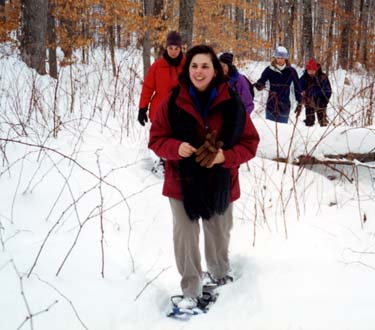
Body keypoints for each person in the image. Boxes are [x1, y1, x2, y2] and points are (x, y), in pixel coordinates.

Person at [149, 45, 259, 309]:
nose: (199, 71)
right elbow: (155, 140)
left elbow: (250, 142)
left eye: (205, 66)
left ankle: (221, 276)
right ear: (187, 69)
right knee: (185, 237)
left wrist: (225, 157)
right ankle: (191, 290)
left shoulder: (232, 102)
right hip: (181, 182)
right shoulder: (173, 101)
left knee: (218, 232)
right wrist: (175, 148)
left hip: (221, 181)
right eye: (194, 66)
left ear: (216, 70)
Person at [138, 31, 185, 174]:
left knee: (179, 137)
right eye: (171, 48)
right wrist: (142, 108)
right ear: (166, 47)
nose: (173, 52)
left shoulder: (188, 65)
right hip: (160, 110)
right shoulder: (157, 66)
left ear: (180, 48)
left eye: (176, 48)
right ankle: (163, 162)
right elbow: (148, 87)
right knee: (162, 138)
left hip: (181, 109)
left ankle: (177, 163)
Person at [254, 46, 302, 123]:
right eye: (278, 57)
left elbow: (297, 87)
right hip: (271, 105)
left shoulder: (291, 71)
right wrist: (259, 85)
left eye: (282, 58)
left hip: (284, 106)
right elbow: (261, 81)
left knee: (282, 132)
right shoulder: (269, 69)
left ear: (286, 58)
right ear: (275, 58)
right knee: (270, 132)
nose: (280, 60)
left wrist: (299, 102)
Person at [299, 58, 332, 127]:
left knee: (323, 122)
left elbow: (328, 91)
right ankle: (308, 135)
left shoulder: (323, 77)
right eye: (309, 70)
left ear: (316, 69)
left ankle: (324, 134)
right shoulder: (304, 77)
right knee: (309, 122)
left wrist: (324, 101)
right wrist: (302, 92)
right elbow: (299, 86)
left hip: (321, 102)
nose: (311, 72)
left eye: (313, 70)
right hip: (309, 102)